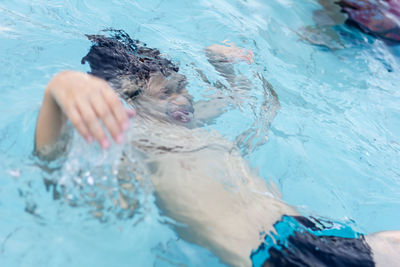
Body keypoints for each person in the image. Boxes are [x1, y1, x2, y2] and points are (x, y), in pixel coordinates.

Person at [34, 30, 400, 266]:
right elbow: (52, 165)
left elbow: (236, 96)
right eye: (167, 92)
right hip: (274, 256)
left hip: (309, 229)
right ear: (129, 99)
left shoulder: (187, 120)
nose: (184, 99)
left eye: (182, 85)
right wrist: (58, 93)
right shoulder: (133, 138)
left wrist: (221, 64)